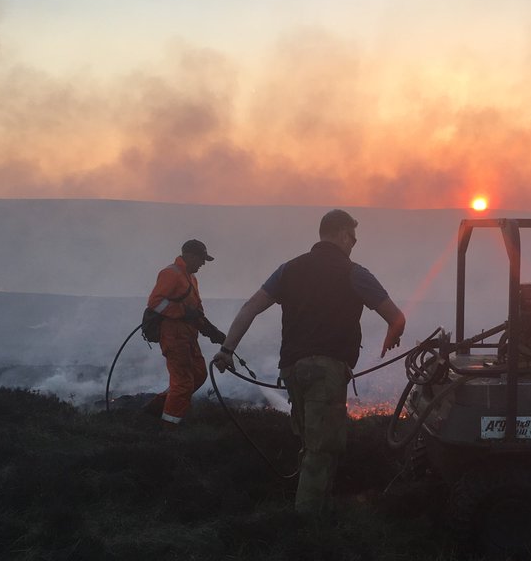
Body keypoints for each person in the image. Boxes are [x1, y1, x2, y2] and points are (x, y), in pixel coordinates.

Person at [214, 209, 406, 512]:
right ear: (342, 234)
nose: (354, 244)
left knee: (311, 442)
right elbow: (396, 317)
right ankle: (307, 529)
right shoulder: (355, 273)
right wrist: (393, 334)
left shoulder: (288, 270)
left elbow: (250, 307)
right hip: (325, 372)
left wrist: (226, 350)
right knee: (323, 449)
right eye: (353, 238)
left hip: (292, 370)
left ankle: (315, 507)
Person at [144, 239, 227, 425]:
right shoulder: (171, 274)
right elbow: (155, 302)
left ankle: (154, 411)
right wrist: (182, 311)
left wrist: (211, 331)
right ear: (189, 256)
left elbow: (195, 311)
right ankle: (168, 428)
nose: (203, 263)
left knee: (199, 374)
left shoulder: (191, 278)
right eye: (201, 259)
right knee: (183, 383)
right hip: (173, 336)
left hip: (189, 336)